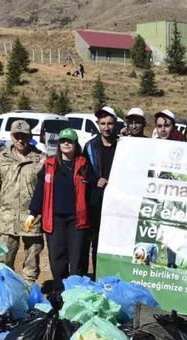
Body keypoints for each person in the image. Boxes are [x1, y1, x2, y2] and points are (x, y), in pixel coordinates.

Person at [28, 128, 94, 292]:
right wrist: (33, 212)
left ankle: (76, 293)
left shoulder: (84, 164)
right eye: (63, 141)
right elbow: (40, 190)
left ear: (75, 144)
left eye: (69, 141)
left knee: (77, 258)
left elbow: (92, 193)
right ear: (59, 144)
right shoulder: (50, 164)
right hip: (55, 219)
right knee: (57, 258)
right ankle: (59, 291)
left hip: (77, 220)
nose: (66, 143)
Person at [0, 120, 46, 284]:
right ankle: (6, 292)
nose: (20, 140)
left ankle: (28, 291)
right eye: (16, 136)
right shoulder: (1, 158)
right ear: (11, 137)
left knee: (32, 259)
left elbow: (47, 191)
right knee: (4, 259)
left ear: (30, 136)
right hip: (6, 218)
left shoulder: (41, 160)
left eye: (24, 136)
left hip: (32, 218)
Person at [84, 106, 119, 275]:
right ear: (98, 124)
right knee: (97, 241)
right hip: (97, 202)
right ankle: (98, 274)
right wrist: (95, 180)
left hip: (118, 202)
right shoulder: (90, 146)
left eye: (110, 123)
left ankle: (114, 274)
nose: (106, 127)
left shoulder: (122, 145)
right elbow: (84, 172)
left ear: (115, 124)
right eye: (102, 123)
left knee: (116, 241)